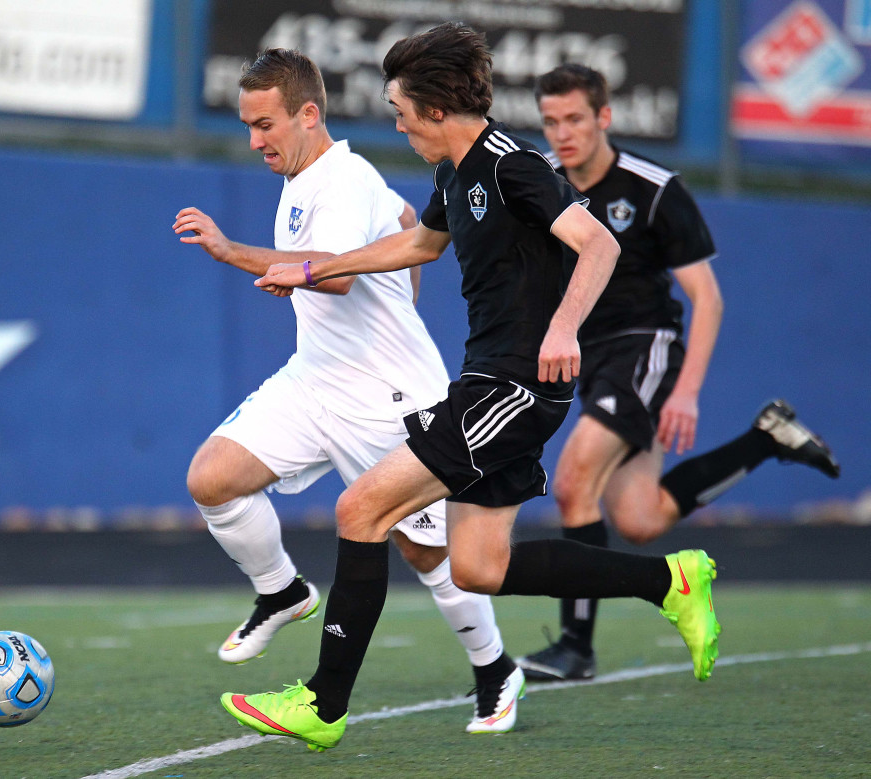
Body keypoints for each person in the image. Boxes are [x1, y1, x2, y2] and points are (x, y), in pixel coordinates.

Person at [220, 23, 721, 753]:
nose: (395, 121)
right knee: (482, 567)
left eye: (399, 108)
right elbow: (418, 245)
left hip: (516, 385)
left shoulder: (512, 164)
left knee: (361, 507)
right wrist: (307, 269)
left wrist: (564, 329)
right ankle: (670, 581)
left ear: (433, 107)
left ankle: (323, 703)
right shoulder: (452, 175)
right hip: (489, 380)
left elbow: (599, 244)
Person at [172, 48, 525, 734]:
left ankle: (495, 668)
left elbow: (330, 275)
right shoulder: (318, 175)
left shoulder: (342, 177)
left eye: (265, 124)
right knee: (212, 477)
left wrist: (229, 251)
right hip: (314, 380)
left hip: (389, 398)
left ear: (309, 113)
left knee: (426, 553)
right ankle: (282, 590)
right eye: (248, 126)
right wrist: (404, 292)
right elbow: (403, 221)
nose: (255, 141)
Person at [515, 64, 841, 683]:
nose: (562, 133)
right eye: (551, 121)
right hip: (593, 358)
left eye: (575, 119)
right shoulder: (547, 186)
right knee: (640, 519)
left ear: (604, 117)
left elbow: (708, 299)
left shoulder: (654, 188)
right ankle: (765, 438)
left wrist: (686, 392)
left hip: (645, 348)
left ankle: (576, 648)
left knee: (574, 481)